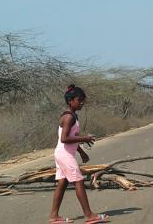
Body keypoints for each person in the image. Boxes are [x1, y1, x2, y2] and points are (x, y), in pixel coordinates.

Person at [49, 85, 109, 224]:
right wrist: (84, 138)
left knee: (63, 183)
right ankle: (89, 215)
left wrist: (81, 152)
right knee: (79, 181)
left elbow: (71, 137)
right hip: (64, 154)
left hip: (62, 153)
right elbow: (64, 139)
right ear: (70, 101)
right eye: (79, 100)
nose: (81, 102)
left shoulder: (73, 116)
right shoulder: (68, 117)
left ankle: (54, 216)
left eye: (83, 100)